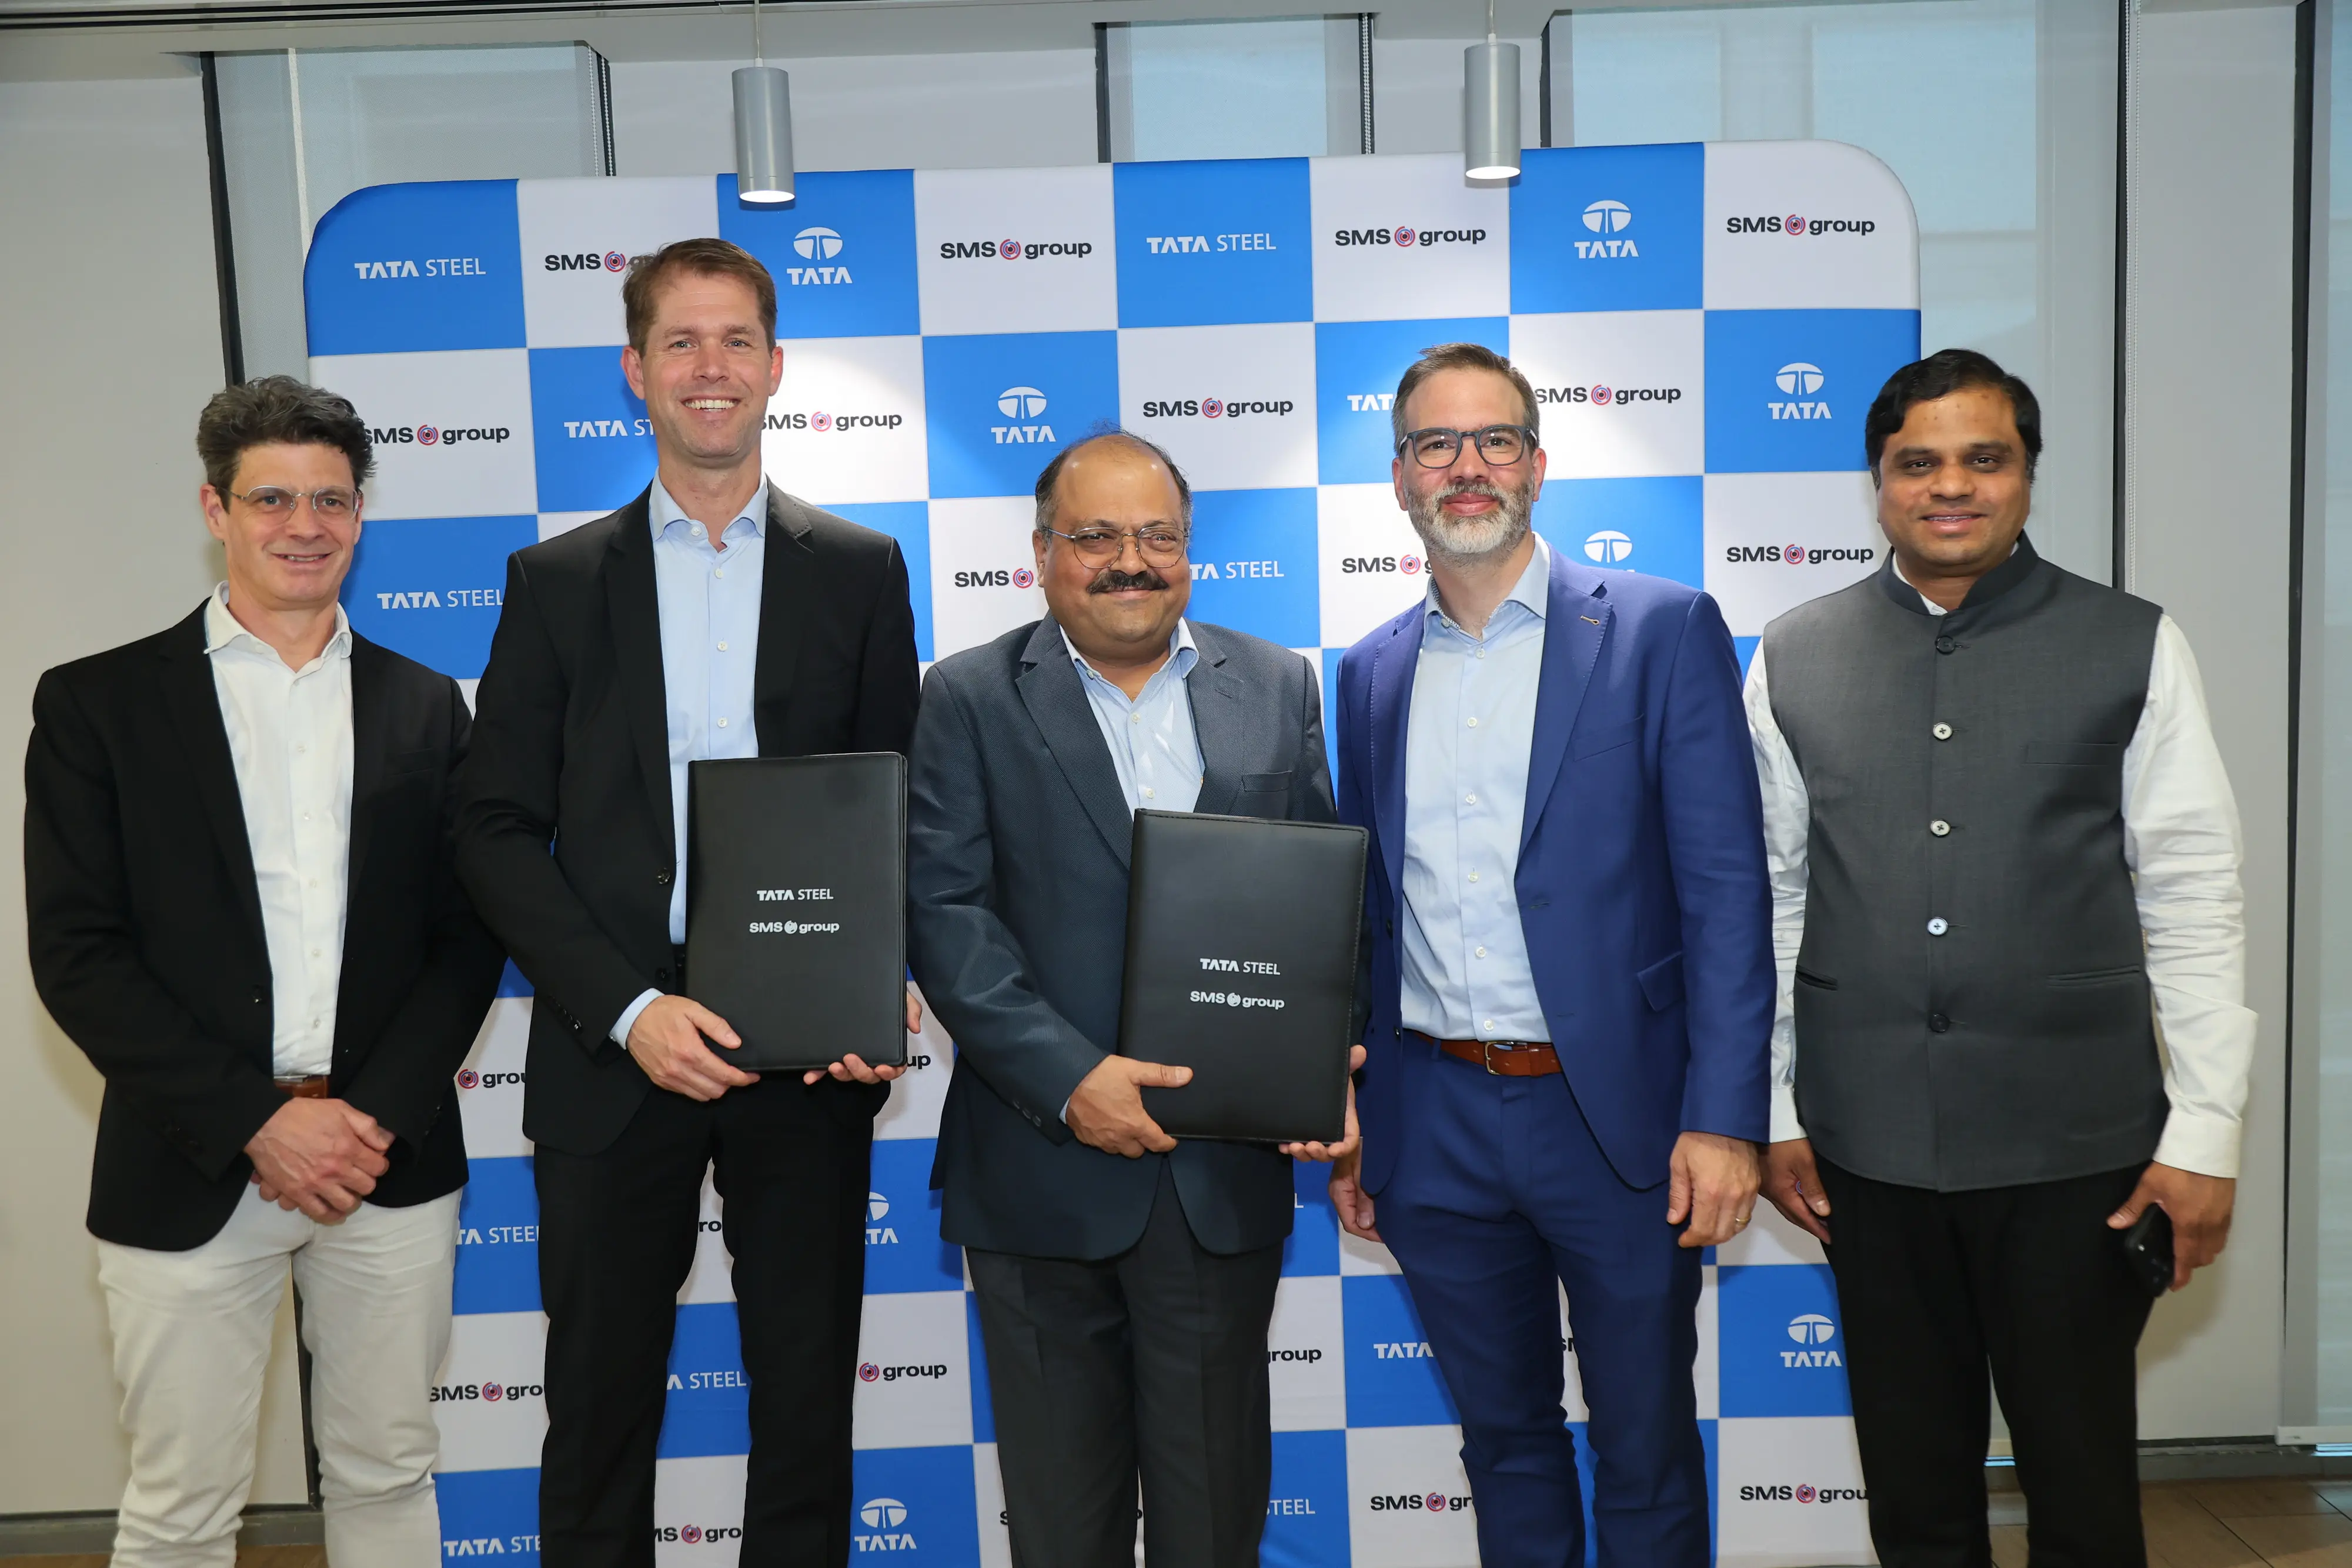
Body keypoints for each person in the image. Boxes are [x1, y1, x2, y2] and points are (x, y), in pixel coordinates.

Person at [454, 237, 921, 1568]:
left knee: (806, 1412)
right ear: (635, 369)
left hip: (806, 1053)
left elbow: (892, 807)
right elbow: (491, 828)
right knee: (597, 1416)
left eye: (734, 342)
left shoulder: (860, 568)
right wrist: (627, 1007)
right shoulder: (555, 582)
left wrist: (869, 985)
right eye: (680, 342)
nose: (709, 367)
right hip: (614, 1050)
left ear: (774, 368)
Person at [1749, 347, 2254, 1567]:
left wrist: (2204, 1133)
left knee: (2084, 1495)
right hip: (1864, 1150)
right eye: (1916, 462)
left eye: (1984, 458)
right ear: (1876, 483)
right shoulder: (1792, 650)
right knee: (1914, 1496)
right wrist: (1771, 1106)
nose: (1950, 486)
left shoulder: (2132, 641)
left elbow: (2193, 892)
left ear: (2027, 473)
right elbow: (1772, 894)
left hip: (2075, 1150)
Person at [25, 376, 505, 1568]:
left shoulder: (426, 706)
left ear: (361, 515)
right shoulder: (98, 704)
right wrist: (258, 1121)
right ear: (217, 510)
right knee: (181, 1505)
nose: (305, 525)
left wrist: (366, 1116)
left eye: (331, 499)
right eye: (272, 498)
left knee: (389, 1472)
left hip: (386, 1161)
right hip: (186, 1156)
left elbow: (466, 937)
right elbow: (77, 953)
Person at [1326, 343, 1775, 1568]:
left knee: (1643, 1441)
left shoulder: (1661, 629)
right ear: (1400, 477)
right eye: (1435, 444)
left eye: (1494, 441)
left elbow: (1726, 896)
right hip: (1433, 1121)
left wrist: (1725, 1118)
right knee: (1503, 1440)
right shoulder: (1366, 671)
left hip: (1620, 1122)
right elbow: (1365, 915)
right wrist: (1357, 1115)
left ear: (1536, 463)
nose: (1465, 467)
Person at [906, 430, 1357, 1568]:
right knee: (1063, 1528)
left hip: (1218, 1176)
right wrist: (1073, 1080)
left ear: (1189, 550)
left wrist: (1323, 1062)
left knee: (1214, 1524)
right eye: (1096, 536)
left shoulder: (1277, 684)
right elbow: (946, 916)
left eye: (1158, 535)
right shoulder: (966, 695)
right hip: (1038, 1171)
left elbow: (1322, 905)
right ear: (1042, 554)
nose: (1130, 561)